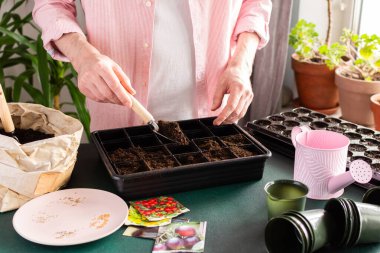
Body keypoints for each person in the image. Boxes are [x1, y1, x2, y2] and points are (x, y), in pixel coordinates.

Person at [33, 0, 271, 131]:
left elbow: (255, 4)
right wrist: (83, 56)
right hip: (119, 122)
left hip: (214, 115)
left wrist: (241, 65)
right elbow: (51, 4)